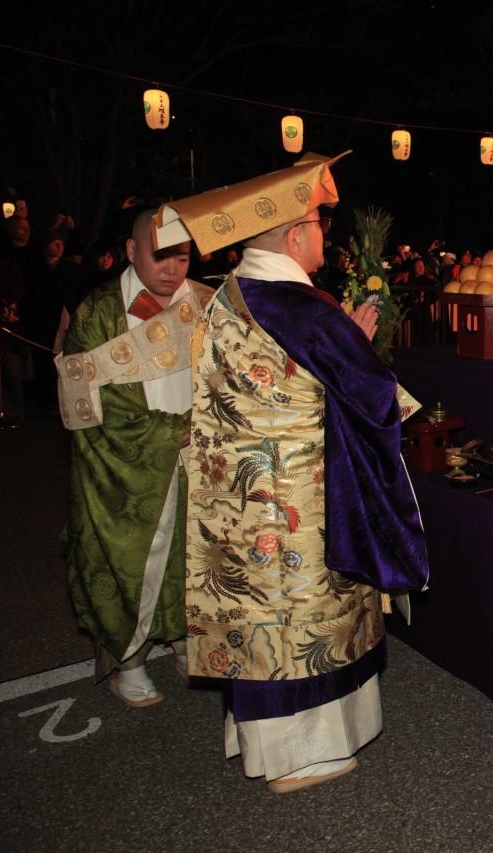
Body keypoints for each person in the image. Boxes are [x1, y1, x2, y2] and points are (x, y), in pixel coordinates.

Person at [159, 152, 428, 793]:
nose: (323, 237)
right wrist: (357, 343)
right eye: (317, 224)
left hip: (240, 493)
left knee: (259, 615)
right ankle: (303, 755)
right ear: (293, 236)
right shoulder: (303, 310)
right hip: (300, 496)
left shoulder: (227, 296)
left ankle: (264, 742)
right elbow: (370, 394)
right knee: (304, 619)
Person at [61, 210, 212, 706]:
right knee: (133, 562)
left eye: (182, 255)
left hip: (196, 456)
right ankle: (130, 658)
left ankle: (189, 639)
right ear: (130, 251)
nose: (172, 268)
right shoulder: (98, 311)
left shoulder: (206, 302)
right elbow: (87, 402)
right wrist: (173, 430)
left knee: (192, 557)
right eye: (159, 254)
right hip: (126, 462)